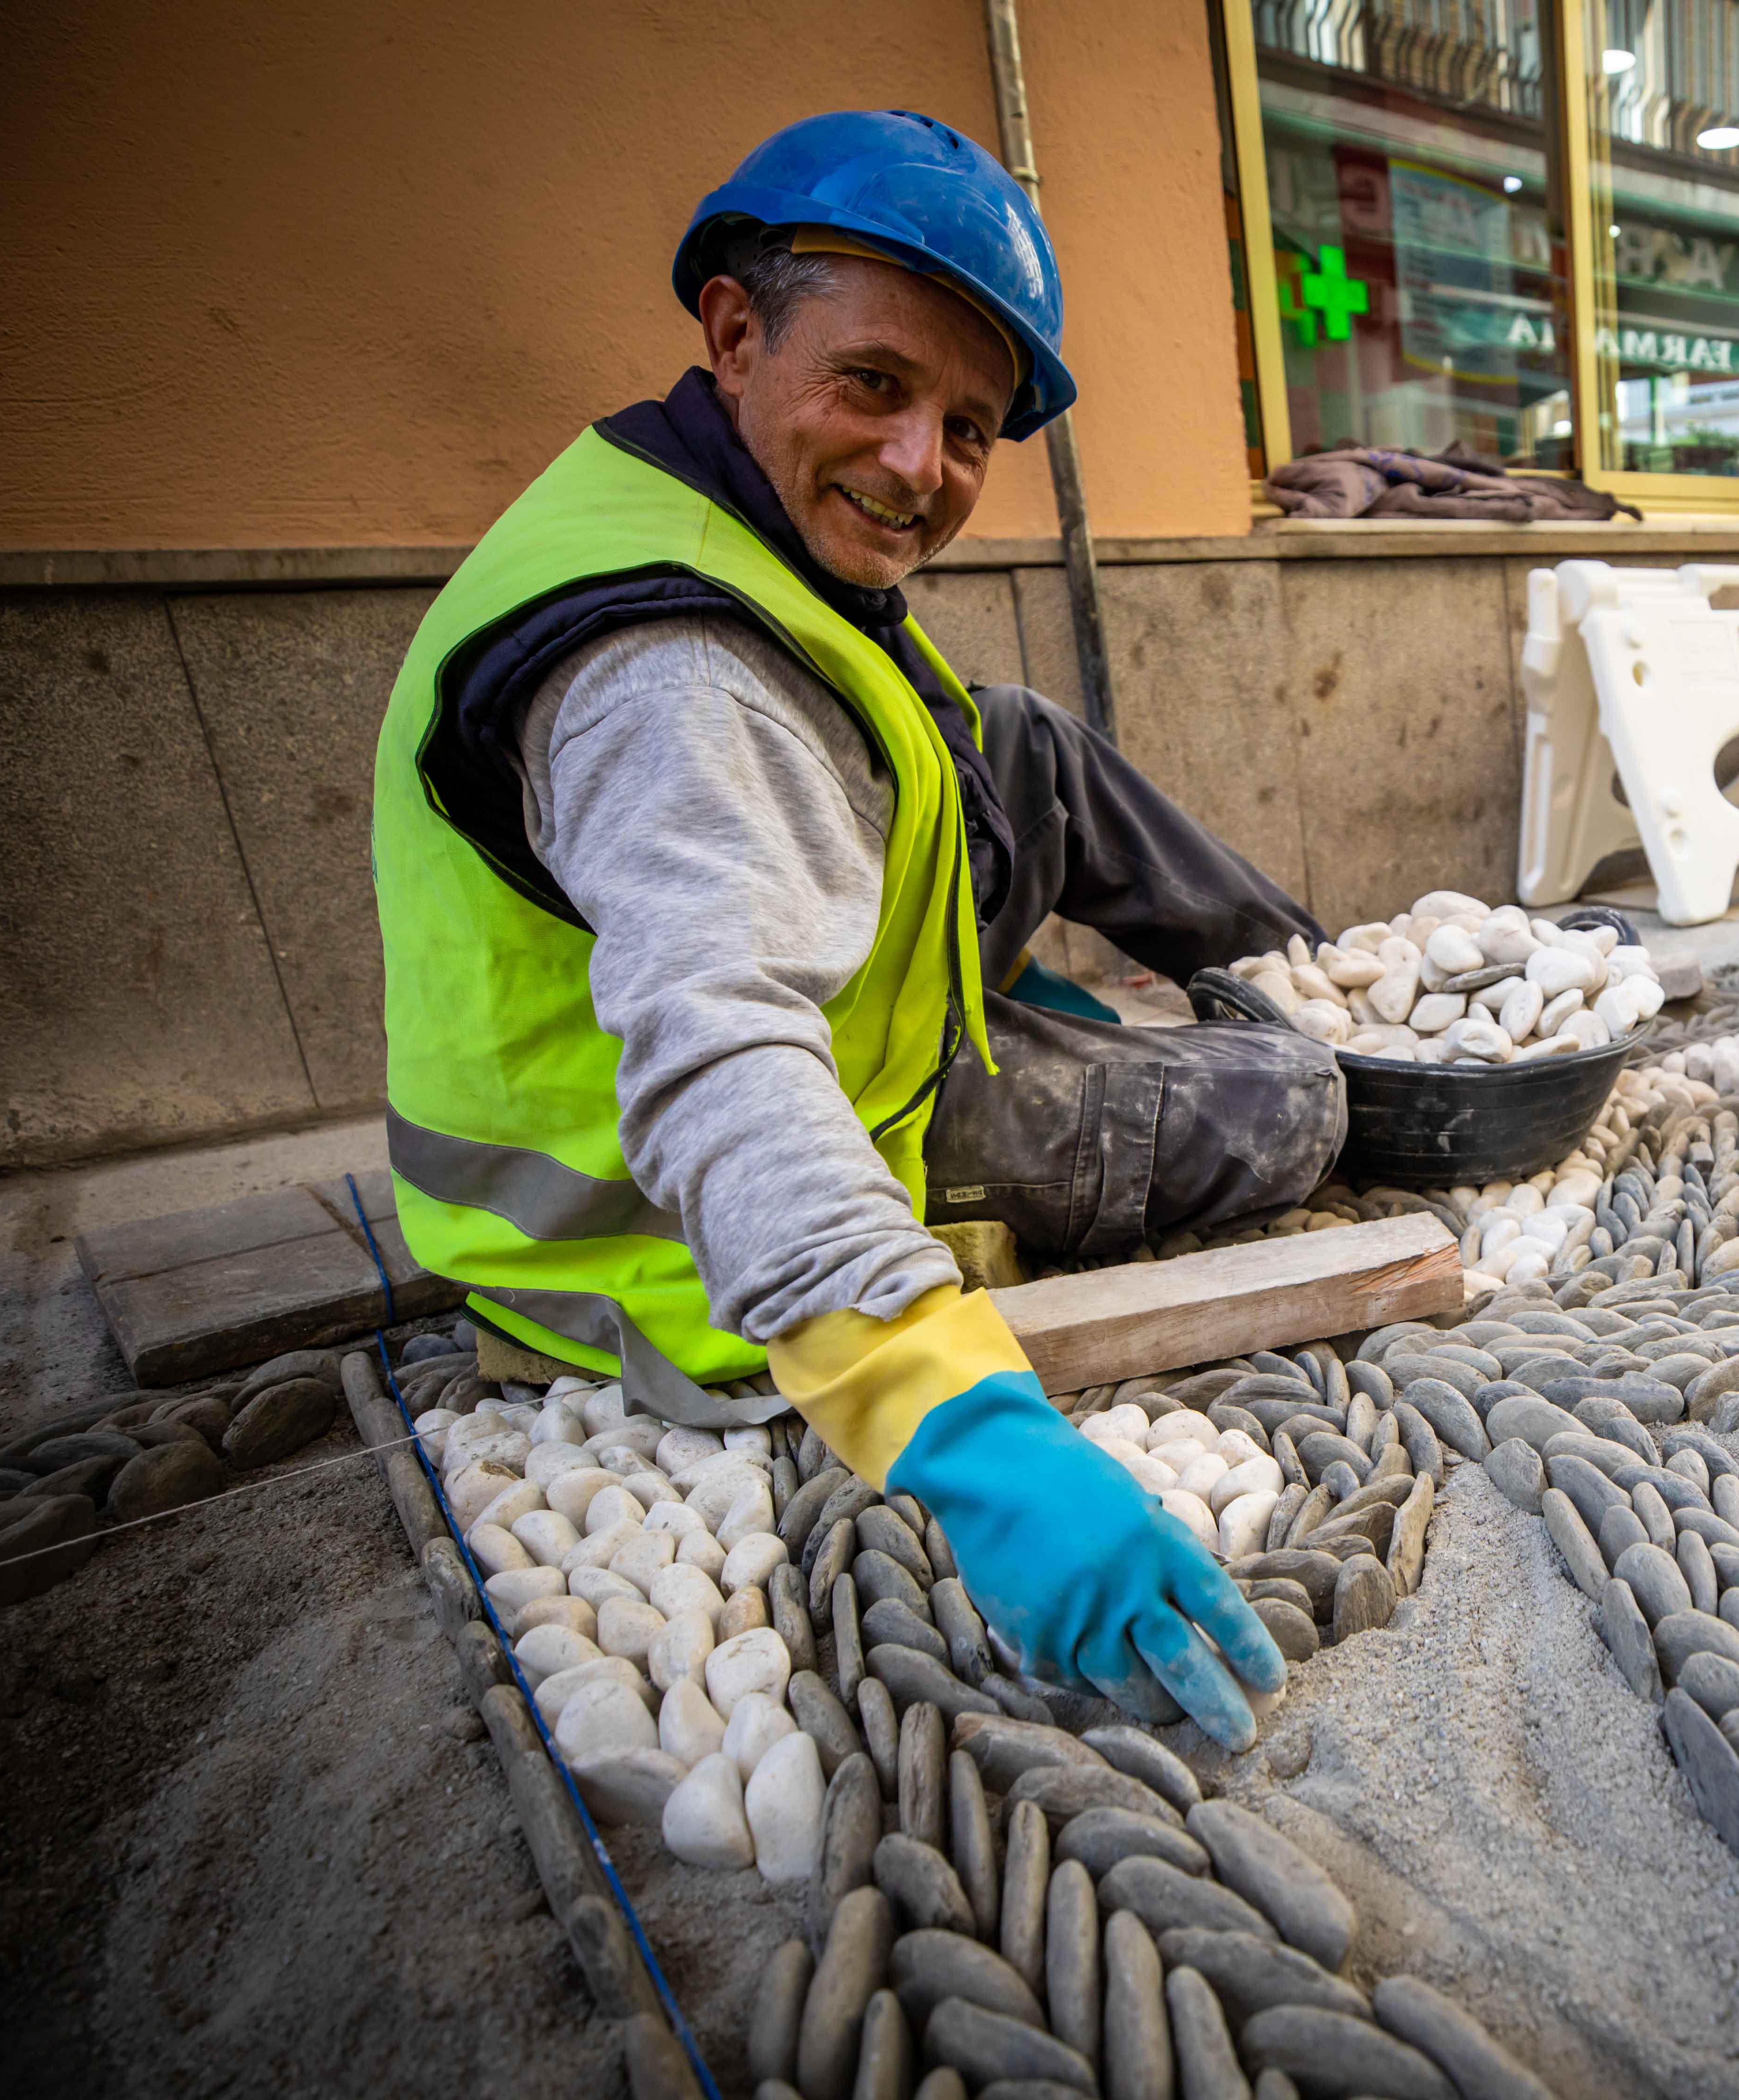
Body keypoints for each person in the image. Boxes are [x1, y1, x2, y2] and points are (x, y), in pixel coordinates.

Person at [372, 112, 1319, 1746]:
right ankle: (1302, 1041)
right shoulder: (671, 684)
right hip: (667, 1234)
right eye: (875, 386)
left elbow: (894, 784)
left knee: (1013, 737)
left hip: (818, 1038)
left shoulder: (697, 505)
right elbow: (728, 1059)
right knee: (1292, 1098)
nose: (919, 468)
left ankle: (1313, 974)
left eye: (966, 427)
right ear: (736, 332)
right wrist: (973, 1443)